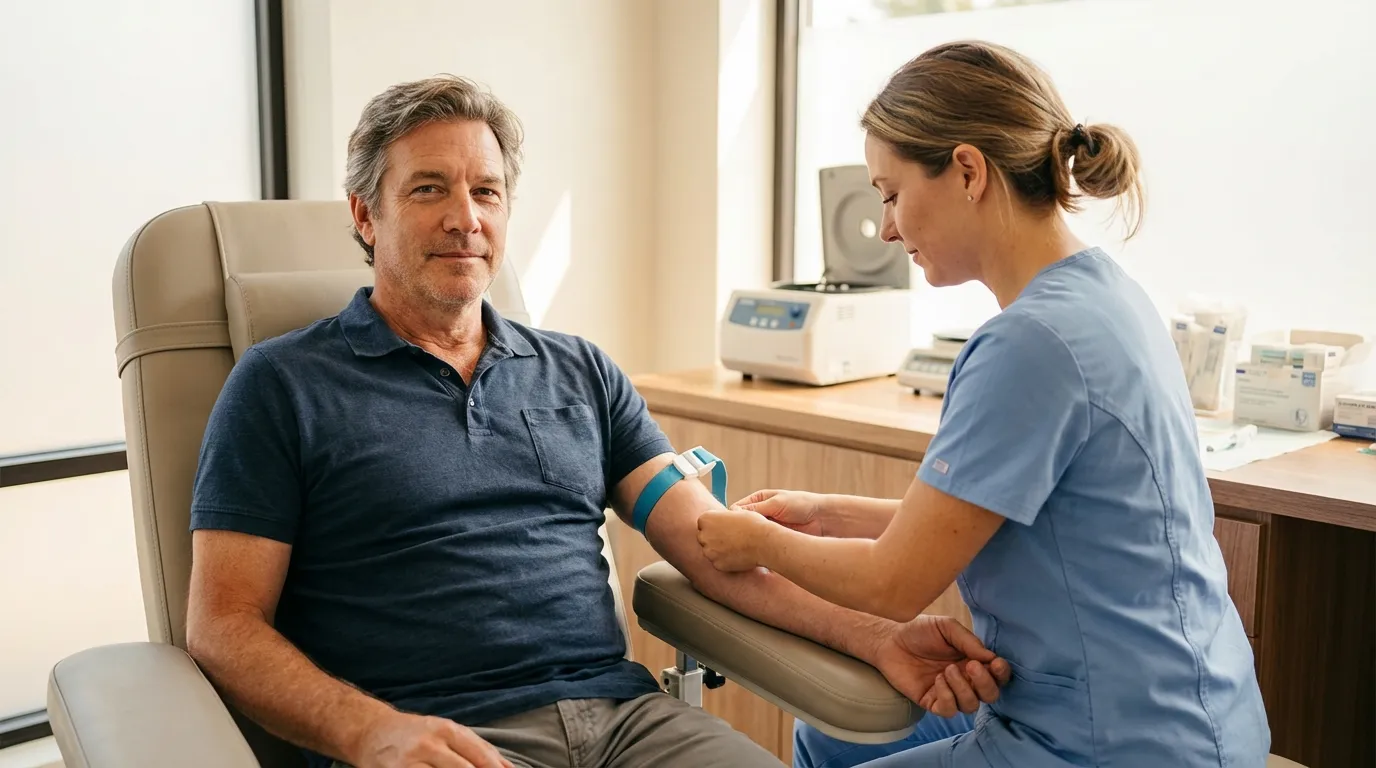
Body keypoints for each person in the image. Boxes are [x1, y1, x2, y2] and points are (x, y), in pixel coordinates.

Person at [184, 74, 1013, 768]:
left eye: (486, 192)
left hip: (627, 724)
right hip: (446, 739)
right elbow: (223, 626)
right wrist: (370, 731)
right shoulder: (282, 386)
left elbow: (711, 548)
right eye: (428, 189)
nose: (463, 217)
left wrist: (875, 636)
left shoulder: (579, 372)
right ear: (366, 217)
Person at [696, 40, 1270, 768]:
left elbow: (894, 584)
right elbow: (997, 518)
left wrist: (757, 543)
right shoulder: (1106, 295)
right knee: (827, 737)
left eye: (892, 193)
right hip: (1191, 708)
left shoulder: (1030, 343)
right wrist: (823, 511)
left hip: (1116, 743)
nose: (887, 228)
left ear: (967, 170)